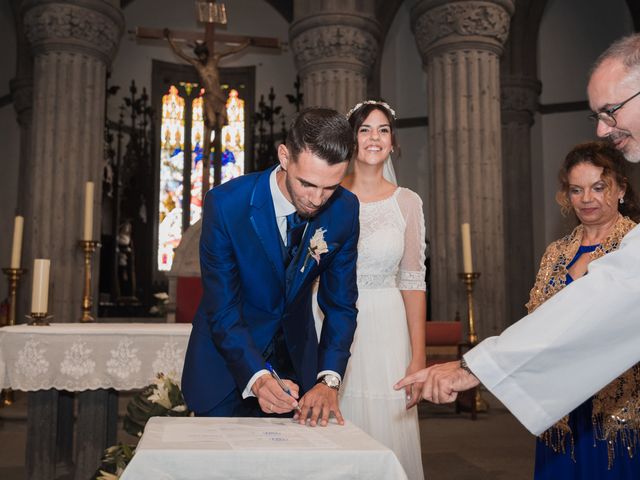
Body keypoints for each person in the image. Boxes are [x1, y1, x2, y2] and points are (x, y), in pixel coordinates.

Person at [394, 32, 640, 436]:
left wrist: (476, 366)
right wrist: (480, 365)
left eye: (610, 110)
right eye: (595, 115)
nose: (602, 128)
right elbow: (577, 306)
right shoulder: (559, 250)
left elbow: (611, 297)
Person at [181, 108, 360, 427]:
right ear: (284, 157)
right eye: (307, 183)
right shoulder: (226, 205)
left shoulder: (344, 210)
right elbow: (222, 309)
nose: (317, 199)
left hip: (297, 371)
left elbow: (341, 305)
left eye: (330, 187)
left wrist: (328, 381)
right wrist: (258, 377)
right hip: (225, 372)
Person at [526, 142, 640, 478]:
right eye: (577, 190)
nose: (587, 198)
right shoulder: (556, 251)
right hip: (560, 406)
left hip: (617, 405)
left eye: (598, 187)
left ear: (621, 189)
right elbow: (536, 318)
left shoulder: (633, 245)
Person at [337, 100, 426, 480]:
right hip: (334, 318)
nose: (375, 137)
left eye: (383, 130)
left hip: (387, 327)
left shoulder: (406, 202)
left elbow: (413, 281)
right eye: (365, 129)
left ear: (393, 142)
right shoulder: (328, 196)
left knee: (385, 420)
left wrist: (419, 358)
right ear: (352, 139)